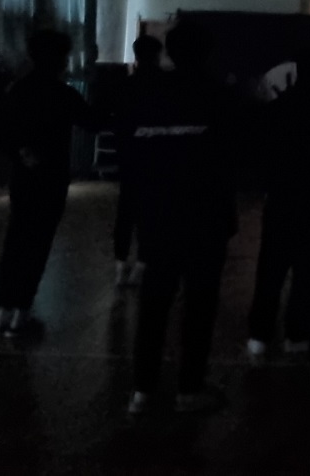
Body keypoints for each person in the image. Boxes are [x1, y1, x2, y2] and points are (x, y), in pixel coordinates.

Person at [125, 21, 238, 415]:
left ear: (169, 52)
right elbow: (234, 159)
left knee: (153, 303)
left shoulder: (147, 95)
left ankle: (142, 390)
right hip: (205, 217)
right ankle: (189, 389)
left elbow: (132, 156)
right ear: (208, 52)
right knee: (200, 306)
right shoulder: (220, 97)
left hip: (157, 215)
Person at [0, 30, 101, 336]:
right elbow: (93, 122)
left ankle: (2, 311)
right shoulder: (63, 94)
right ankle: (21, 313)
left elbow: (1, 130)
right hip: (52, 179)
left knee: (16, 241)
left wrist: (21, 152)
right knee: (38, 245)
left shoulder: (18, 90)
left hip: (23, 178)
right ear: (60, 59)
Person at [245, 52, 310, 373]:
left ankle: (259, 335)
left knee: (270, 270)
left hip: (281, 202)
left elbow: (259, 157)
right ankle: (296, 334)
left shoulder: (278, 110)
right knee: (308, 273)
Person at [112, 35, 164, 288]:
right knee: (151, 213)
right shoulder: (166, 84)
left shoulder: (125, 85)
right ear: (158, 55)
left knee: (126, 211)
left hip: (129, 156)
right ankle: (143, 264)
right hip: (157, 157)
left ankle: (120, 263)